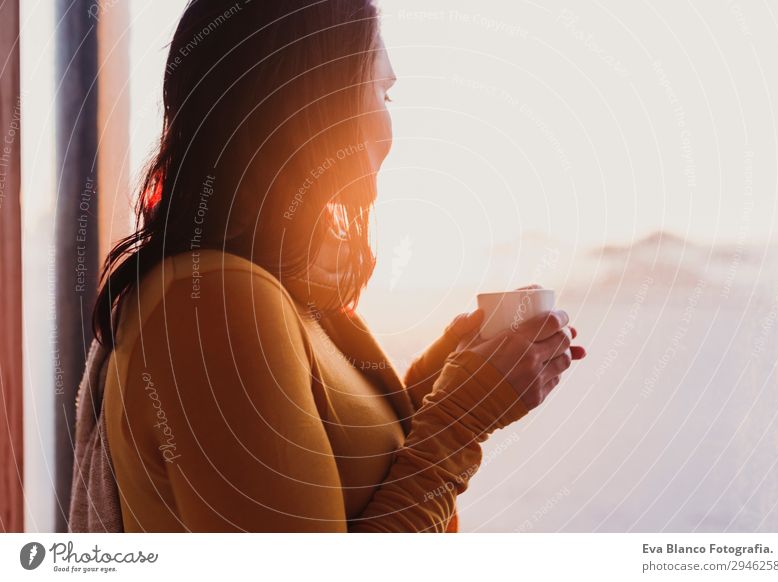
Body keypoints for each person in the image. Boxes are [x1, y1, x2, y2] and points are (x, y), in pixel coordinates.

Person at [92, 0, 587, 532]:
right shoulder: (217, 303)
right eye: (383, 90)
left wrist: (437, 386)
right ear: (312, 102)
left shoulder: (262, 290)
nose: (390, 127)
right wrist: (463, 421)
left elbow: (339, 476)